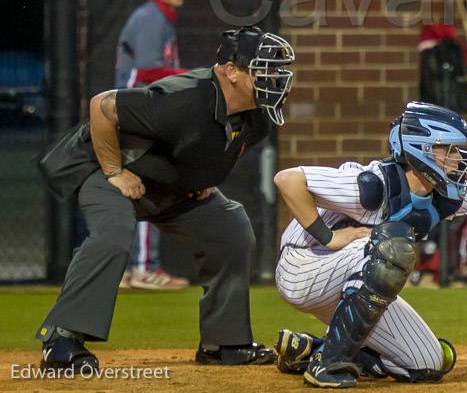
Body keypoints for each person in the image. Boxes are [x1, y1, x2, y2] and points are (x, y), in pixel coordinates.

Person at [35, 27, 295, 372]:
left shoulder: (257, 117)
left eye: (277, 70)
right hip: (107, 167)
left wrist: (202, 180)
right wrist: (114, 172)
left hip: (165, 183)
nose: (275, 78)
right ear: (231, 70)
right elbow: (104, 106)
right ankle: (60, 339)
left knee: (231, 228)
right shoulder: (184, 98)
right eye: (264, 69)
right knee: (113, 235)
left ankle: (224, 343)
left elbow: (207, 147)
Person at [272, 102, 467, 387]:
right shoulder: (373, 185)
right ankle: (327, 365)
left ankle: (313, 348)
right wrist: (330, 237)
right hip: (304, 267)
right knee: (392, 247)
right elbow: (288, 180)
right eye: (447, 149)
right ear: (420, 149)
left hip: (349, 280)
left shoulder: (443, 193)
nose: (458, 158)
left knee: (428, 364)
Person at [115, 0, 193, 292]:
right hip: (137, 114)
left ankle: (128, 268)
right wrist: (191, 76)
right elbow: (147, 70)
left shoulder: (161, 16)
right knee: (146, 189)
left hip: (139, 113)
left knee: (132, 193)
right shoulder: (151, 17)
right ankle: (143, 268)